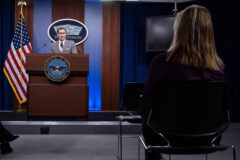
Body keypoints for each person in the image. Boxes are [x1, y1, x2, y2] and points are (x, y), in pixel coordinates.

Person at [140, 5, 224, 160]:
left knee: (147, 123)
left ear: (179, 30)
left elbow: (145, 106)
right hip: (209, 138)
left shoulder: (162, 62)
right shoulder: (217, 68)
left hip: (164, 137)